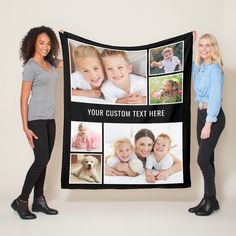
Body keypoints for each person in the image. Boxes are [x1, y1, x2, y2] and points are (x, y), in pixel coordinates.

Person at [11, 26, 63, 220]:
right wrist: (25, 127)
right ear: (33, 43)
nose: (45, 47)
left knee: (45, 160)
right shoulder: (31, 66)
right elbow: (23, 99)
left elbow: (69, 61)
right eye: (42, 43)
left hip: (50, 118)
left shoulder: (50, 63)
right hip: (36, 119)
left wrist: (66, 38)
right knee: (40, 160)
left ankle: (39, 200)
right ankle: (21, 201)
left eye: (49, 43)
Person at [188, 32, 225, 216]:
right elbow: (190, 65)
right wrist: (190, 40)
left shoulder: (215, 69)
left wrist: (209, 123)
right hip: (200, 114)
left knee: (202, 159)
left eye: (207, 45)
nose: (203, 49)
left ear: (213, 48)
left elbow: (216, 99)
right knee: (208, 159)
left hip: (213, 117)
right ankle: (210, 200)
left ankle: (210, 200)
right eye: (201, 45)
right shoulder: (200, 66)